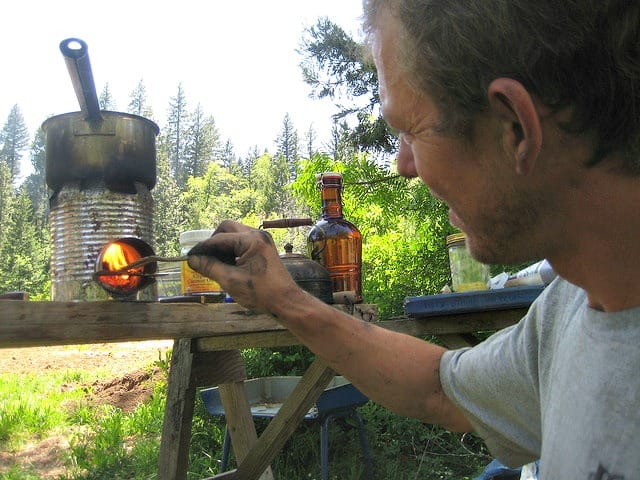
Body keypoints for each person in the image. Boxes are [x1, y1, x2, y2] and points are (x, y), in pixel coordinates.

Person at [187, 1, 640, 478]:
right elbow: (437, 388)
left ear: (515, 129)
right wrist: (284, 299)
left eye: (411, 130)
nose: (404, 165)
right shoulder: (566, 312)